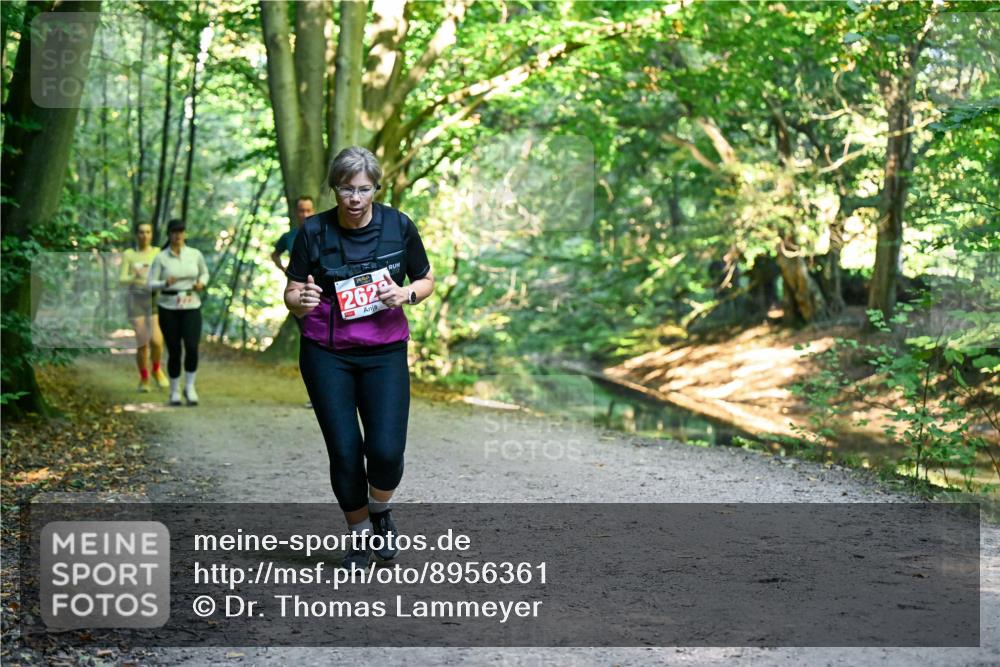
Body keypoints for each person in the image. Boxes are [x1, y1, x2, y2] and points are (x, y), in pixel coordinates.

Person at [282, 146, 434, 570]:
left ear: (375, 189)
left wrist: (405, 294)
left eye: (363, 189)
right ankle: (359, 536)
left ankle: (380, 510)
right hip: (326, 352)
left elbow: (425, 279)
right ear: (335, 189)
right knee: (346, 451)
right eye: (346, 189)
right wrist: (303, 300)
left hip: (384, 351)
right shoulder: (313, 232)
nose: (354, 198)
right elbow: (293, 291)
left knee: (386, 451)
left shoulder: (399, 226)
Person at [147, 218, 209, 406]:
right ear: (169, 234)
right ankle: (174, 391)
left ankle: (189, 387)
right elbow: (150, 283)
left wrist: (202, 283)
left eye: (181, 231)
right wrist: (165, 283)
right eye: (175, 232)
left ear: (185, 234)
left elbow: (204, 273)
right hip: (168, 306)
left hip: (191, 304)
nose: (178, 235)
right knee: (174, 350)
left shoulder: (194, 254)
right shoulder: (161, 257)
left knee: (191, 347)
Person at [119, 222, 168, 392]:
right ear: (136, 235)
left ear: (152, 234)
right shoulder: (129, 254)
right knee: (143, 341)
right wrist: (135, 274)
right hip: (135, 299)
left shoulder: (157, 253)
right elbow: (121, 279)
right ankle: (144, 378)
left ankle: (156, 369)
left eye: (148, 232)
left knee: (156, 340)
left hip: (152, 297)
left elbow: (164, 276)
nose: (144, 235)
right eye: (141, 232)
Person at [272, 195, 315, 274]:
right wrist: (284, 270)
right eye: (301, 211)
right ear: (296, 212)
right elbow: (275, 255)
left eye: (308, 211)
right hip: (296, 283)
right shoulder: (288, 236)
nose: (305, 215)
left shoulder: (324, 233)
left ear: (313, 211)